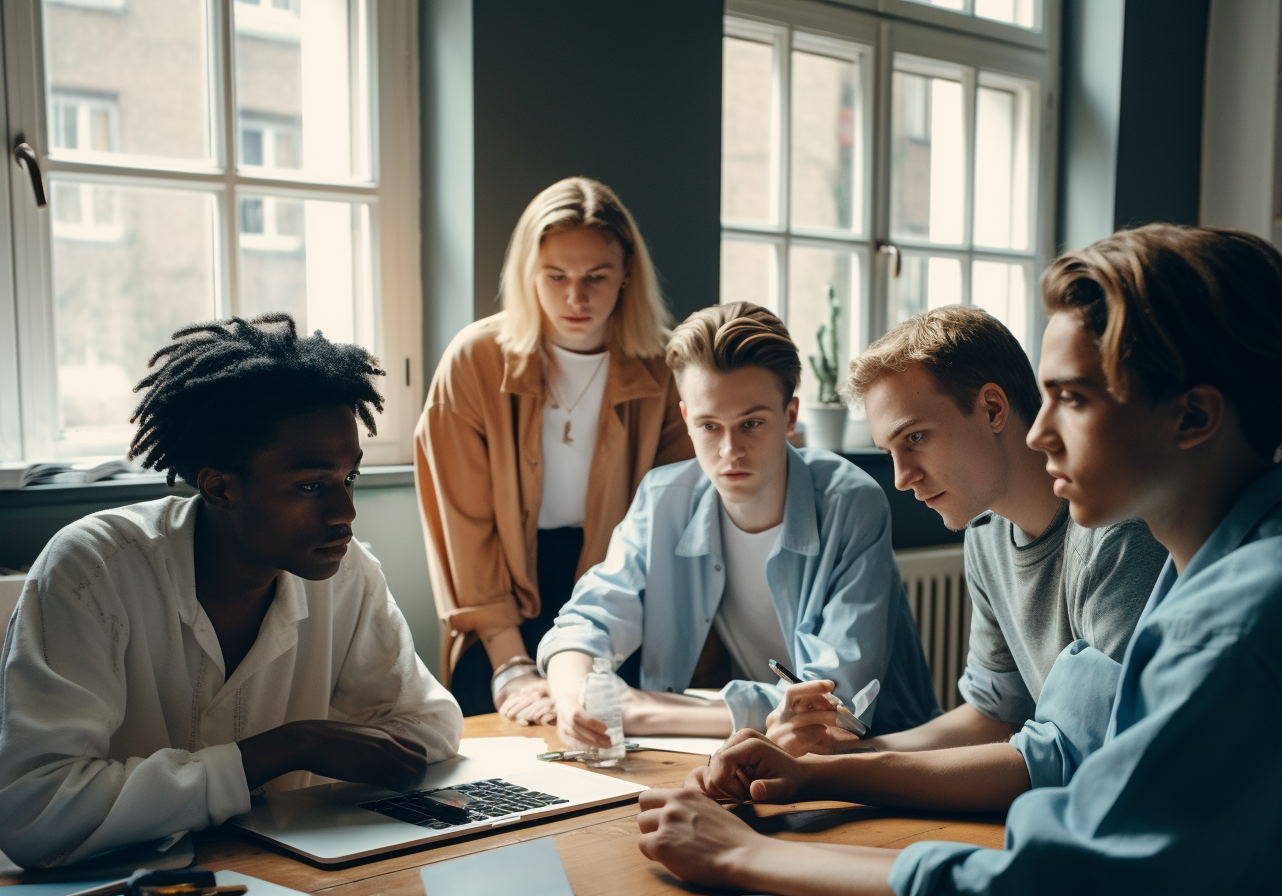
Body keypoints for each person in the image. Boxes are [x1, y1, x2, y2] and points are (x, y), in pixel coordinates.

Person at [635, 224, 1282, 894]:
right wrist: (821, 769)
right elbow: (1045, 745)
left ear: (1194, 417)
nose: (1038, 432)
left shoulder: (1233, 624)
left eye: (1070, 399)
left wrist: (747, 854)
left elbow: (1061, 874)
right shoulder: (1218, 570)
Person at [0, 315, 462, 870]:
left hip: (287, 868)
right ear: (220, 486)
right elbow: (34, 813)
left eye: (349, 479)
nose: (345, 513)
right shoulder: (92, 570)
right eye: (310, 485)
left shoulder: (347, 574)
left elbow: (430, 726)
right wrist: (288, 748)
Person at [765, 306, 1165, 756]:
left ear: (993, 408)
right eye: (889, 451)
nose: (901, 478)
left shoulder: (1116, 531)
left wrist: (837, 774)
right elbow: (995, 716)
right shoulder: (985, 535)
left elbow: (1095, 752)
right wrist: (842, 755)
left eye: (915, 438)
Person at [539, 302, 939, 748]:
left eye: (751, 423)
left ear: (789, 417)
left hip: (878, 757)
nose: (731, 450)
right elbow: (588, 619)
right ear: (687, 421)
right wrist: (574, 695)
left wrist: (643, 711)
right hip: (743, 747)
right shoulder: (662, 497)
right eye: (710, 426)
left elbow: (835, 704)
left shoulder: (851, 502)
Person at [415, 177, 692, 723]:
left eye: (596, 277)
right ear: (528, 274)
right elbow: (464, 530)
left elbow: (673, 519)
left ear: (627, 273)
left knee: (613, 745)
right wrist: (512, 663)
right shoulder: (474, 360)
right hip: (501, 603)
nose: (576, 298)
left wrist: (590, 658)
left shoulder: (665, 367)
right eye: (556, 276)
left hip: (618, 592)